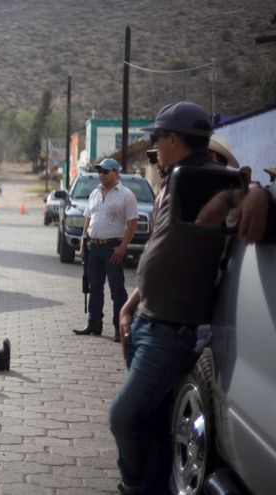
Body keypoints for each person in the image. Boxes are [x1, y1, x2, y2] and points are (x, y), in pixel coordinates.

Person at [110, 101, 272, 494]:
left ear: (173, 139)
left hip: (170, 332)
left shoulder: (207, 177)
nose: (153, 148)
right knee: (154, 425)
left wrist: (261, 194)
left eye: (156, 138)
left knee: (123, 416)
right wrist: (131, 306)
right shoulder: (177, 180)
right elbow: (161, 257)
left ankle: (132, 483)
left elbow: (244, 192)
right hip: (148, 319)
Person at [72, 158, 138, 342]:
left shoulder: (126, 195)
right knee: (94, 287)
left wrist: (122, 247)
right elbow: (87, 219)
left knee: (117, 290)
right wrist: (84, 243)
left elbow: (133, 223)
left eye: (106, 171)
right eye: (99, 171)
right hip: (94, 246)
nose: (101, 175)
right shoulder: (94, 193)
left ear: (116, 173)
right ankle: (94, 324)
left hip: (112, 248)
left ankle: (120, 328)